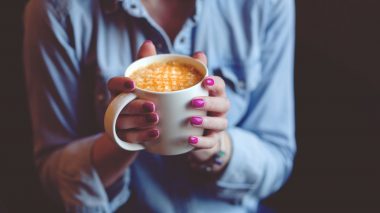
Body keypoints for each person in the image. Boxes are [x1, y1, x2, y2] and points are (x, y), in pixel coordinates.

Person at [23, 0, 296, 212]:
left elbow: (278, 156)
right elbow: (52, 175)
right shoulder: (58, 11)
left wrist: (215, 147)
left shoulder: (266, 5)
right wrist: (121, 142)